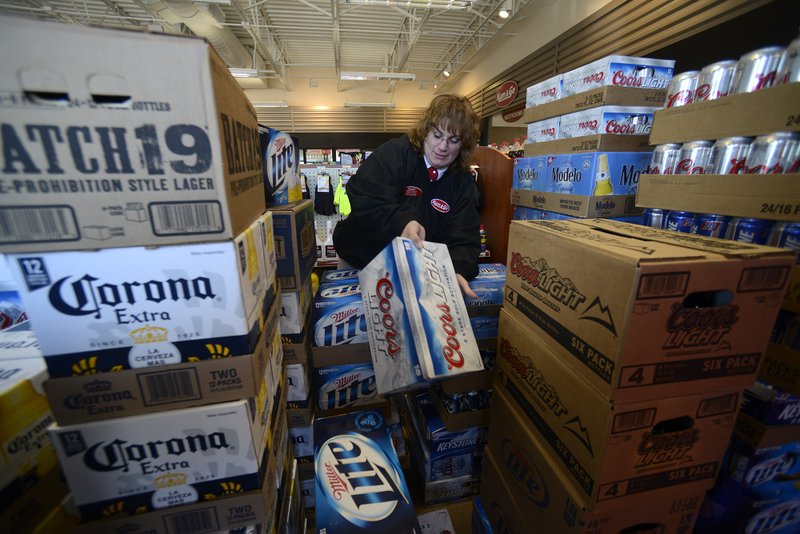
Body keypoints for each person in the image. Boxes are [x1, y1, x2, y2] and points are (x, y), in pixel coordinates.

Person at [333, 94, 481, 299]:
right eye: (437, 135)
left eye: (453, 140)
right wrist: (401, 223)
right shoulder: (396, 152)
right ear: (425, 131)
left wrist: (455, 271)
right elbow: (364, 195)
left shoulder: (462, 182)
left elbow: (465, 238)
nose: (443, 147)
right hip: (361, 261)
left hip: (414, 278)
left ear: (463, 145)